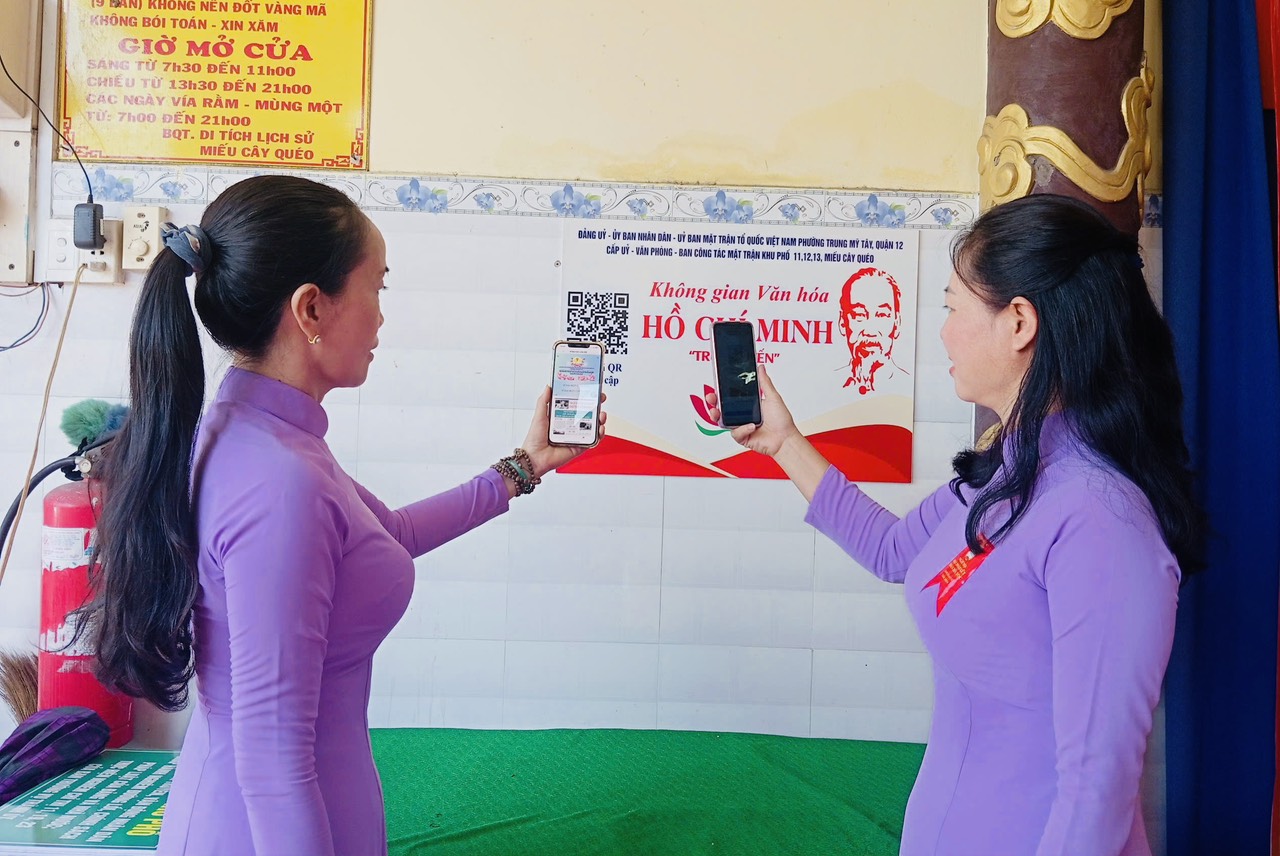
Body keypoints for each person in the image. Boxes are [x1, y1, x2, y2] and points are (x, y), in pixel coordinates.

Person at [77, 175, 602, 856]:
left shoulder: (263, 435)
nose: (381, 317)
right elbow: (272, 765)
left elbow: (385, 537)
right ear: (311, 308)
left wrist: (523, 467)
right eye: (377, 287)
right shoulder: (278, 480)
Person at [706, 193, 1202, 856]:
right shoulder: (1009, 470)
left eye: (951, 307)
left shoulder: (1100, 519)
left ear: (1018, 323)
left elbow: (1098, 791)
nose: (942, 332)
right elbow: (894, 550)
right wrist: (784, 442)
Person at [838, 266, 908, 394]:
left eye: (881, 315)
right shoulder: (827, 385)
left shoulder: (907, 387)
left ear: (897, 323)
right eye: (859, 315)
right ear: (842, 322)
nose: (870, 332)